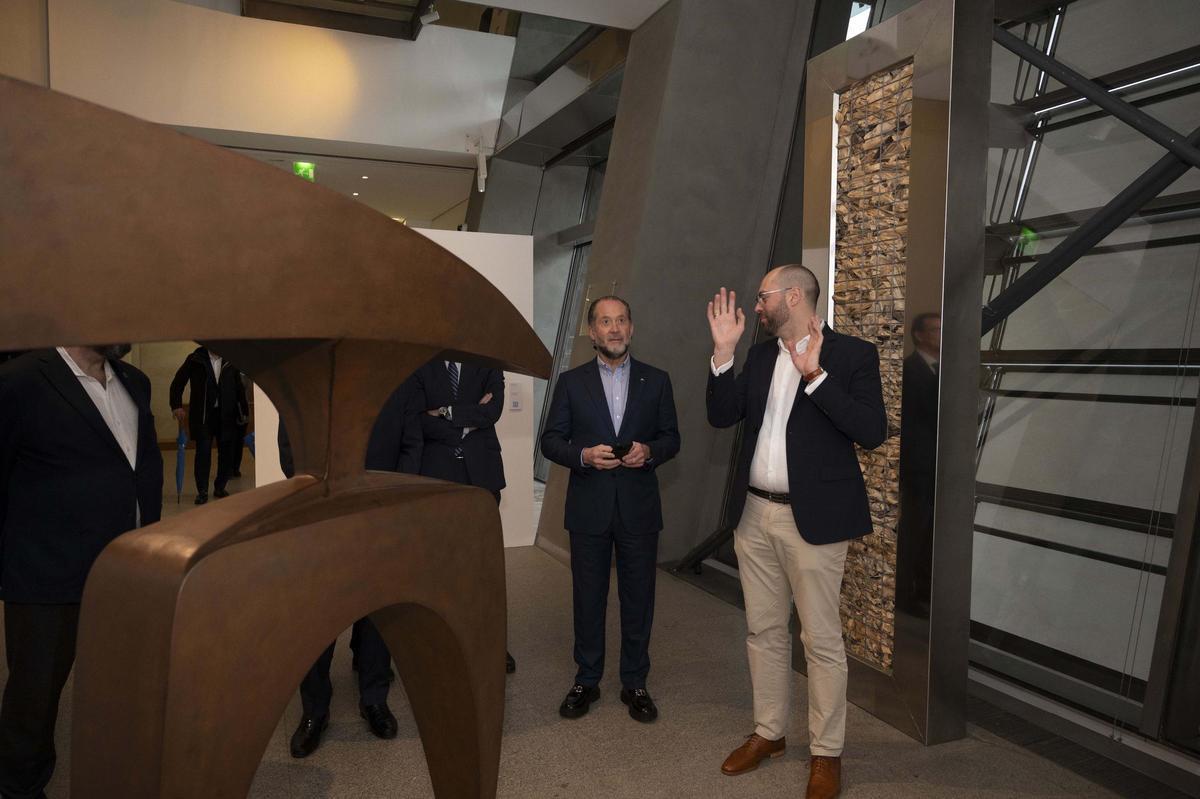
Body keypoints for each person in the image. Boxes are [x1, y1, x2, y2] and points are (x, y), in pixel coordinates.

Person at [706, 266, 886, 799]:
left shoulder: (852, 355)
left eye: (763, 297)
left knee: (820, 640)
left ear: (792, 296)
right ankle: (769, 732)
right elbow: (722, 416)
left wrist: (817, 377)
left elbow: (872, 431)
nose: (756, 306)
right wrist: (722, 354)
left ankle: (826, 752)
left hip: (815, 521)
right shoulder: (762, 356)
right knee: (763, 630)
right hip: (754, 515)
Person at [0, 346, 163, 798]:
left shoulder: (135, 381)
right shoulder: (20, 382)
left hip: (127, 574)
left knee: (118, 690)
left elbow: (138, 467)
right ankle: (19, 788)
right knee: (34, 700)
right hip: (47, 577)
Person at [540, 296, 680, 723]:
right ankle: (587, 678)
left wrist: (648, 451)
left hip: (639, 509)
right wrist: (583, 456)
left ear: (631, 328)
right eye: (605, 321)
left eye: (621, 320)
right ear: (592, 331)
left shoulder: (657, 381)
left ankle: (635, 682)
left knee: (639, 599)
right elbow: (551, 440)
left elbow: (671, 438)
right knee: (588, 597)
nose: (614, 328)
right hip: (589, 508)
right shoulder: (571, 382)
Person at [279, 378, 423, 758]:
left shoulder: (399, 380)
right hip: (322, 516)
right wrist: (323, 497)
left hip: (380, 517)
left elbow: (411, 446)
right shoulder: (307, 377)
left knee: (377, 612)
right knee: (317, 618)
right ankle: (314, 711)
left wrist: (389, 500)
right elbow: (290, 448)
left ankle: (374, 699)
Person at [412, 354, 518, 675]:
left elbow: (492, 410)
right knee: (441, 564)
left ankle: (491, 642)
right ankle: (443, 641)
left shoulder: (487, 362)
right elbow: (417, 419)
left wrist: (446, 412)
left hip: (482, 474)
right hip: (436, 475)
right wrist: (466, 423)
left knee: (483, 565)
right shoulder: (420, 365)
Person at [896, 312, 939, 616]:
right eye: (936, 330)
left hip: (939, 467)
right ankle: (904, 594)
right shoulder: (909, 371)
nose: (941, 336)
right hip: (917, 468)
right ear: (920, 335)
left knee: (931, 533)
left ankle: (925, 589)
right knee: (913, 531)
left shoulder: (946, 371)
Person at [169, 345, 248, 504]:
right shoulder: (195, 359)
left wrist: (244, 411)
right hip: (203, 415)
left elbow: (239, 387)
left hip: (227, 414)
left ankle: (220, 487)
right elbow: (178, 382)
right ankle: (202, 491)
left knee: (226, 452)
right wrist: (176, 405)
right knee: (203, 453)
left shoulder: (231, 360)